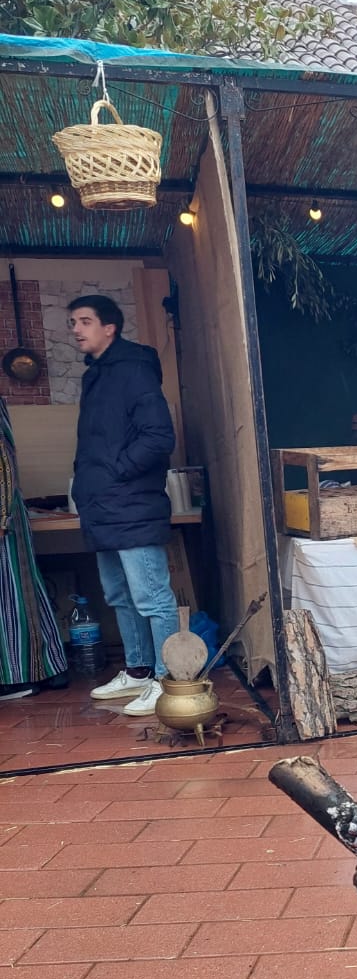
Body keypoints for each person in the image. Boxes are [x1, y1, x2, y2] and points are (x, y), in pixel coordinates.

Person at [69, 293, 178, 718]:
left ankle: (170, 682)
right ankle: (138, 672)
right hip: (104, 506)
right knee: (119, 596)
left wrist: (115, 473)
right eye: (73, 322)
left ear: (109, 327)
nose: (76, 329)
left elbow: (158, 438)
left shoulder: (132, 371)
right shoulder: (97, 374)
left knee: (153, 599)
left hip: (130, 503)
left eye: (84, 321)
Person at [0, 395, 68, 699]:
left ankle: (23, 676)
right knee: (18, 595)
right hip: (7, 515)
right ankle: (46, 671)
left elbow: (3, 465)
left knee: (14, 596)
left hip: (4, 519)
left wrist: (3, 517)